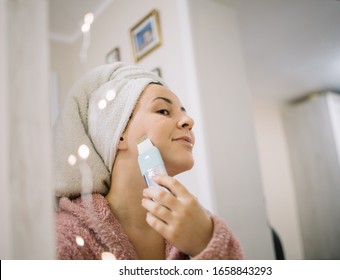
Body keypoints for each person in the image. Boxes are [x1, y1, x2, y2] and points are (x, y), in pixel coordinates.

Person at [54, 62, 244, 260]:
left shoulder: (199, 224)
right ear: (117, 134)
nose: (189, 121)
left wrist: (205, 244)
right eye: (163, 111)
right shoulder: (66, 240)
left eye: (183, 111)